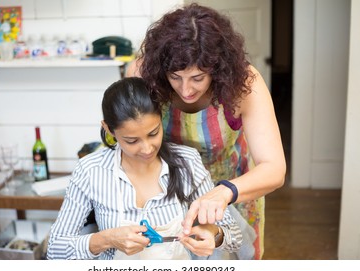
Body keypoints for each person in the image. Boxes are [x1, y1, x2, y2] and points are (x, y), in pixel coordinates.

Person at [127, 3, 286, 259]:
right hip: (168, 197)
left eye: (198, 78)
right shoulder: (142, 73)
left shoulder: (245, 85)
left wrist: (224, 192)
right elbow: (124, 133)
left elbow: (274, 169)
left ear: (218, 68)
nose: (186, 90)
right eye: (175, 77)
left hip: (233, 193)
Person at [46, 77, 243, 260]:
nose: (147, 149)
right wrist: (106, 239)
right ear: (108, 129)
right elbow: (55, 249)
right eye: (131, 141)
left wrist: (214, 236)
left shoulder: (187, 162)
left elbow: (233, 234)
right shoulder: (91, 170)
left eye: (153, 133)